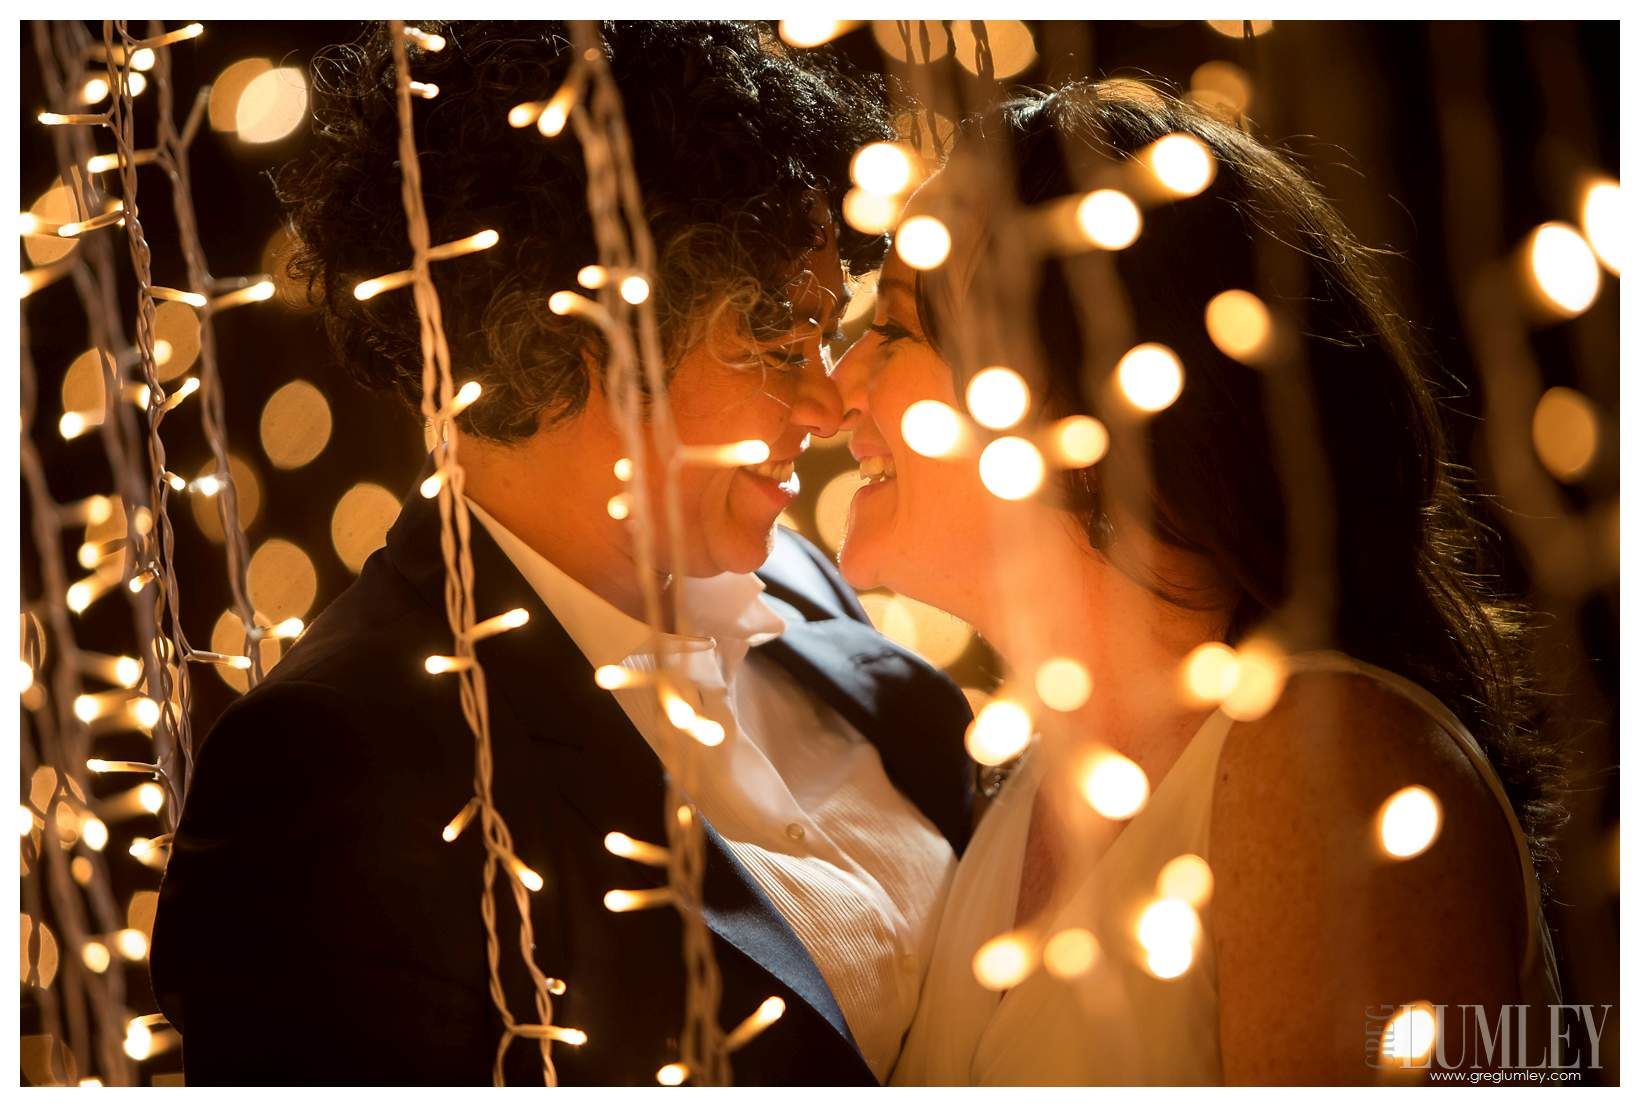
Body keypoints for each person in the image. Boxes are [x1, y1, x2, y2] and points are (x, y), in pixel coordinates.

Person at [151, 21, 972, 1086]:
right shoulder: (335, 774)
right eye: (777, 343)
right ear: (585, 333)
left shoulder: (800, 579)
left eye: (826, 336)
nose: (826, 403)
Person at [830, 82, 1564, 1084]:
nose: (837, 385)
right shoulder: (1021, 801)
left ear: (1062, 387)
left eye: (894, 329)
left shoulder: (1322, 767)